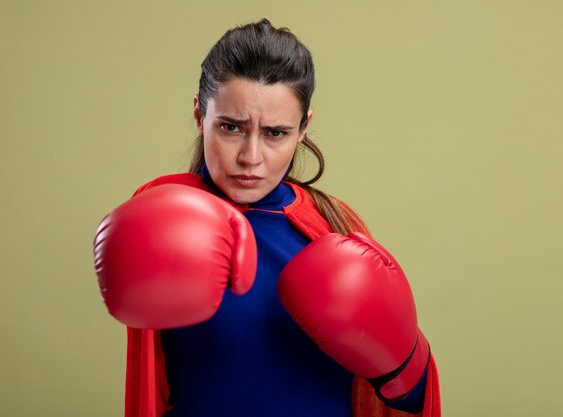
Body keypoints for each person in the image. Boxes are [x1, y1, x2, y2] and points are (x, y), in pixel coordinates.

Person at [93, 18, 441, 417]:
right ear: (198, 114)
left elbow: (403, 400)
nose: (250, 157)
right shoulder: (163, 215)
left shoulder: (335, 223)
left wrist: (403, 361)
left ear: (303, 128)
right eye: (231, 127)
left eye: (275, 133)